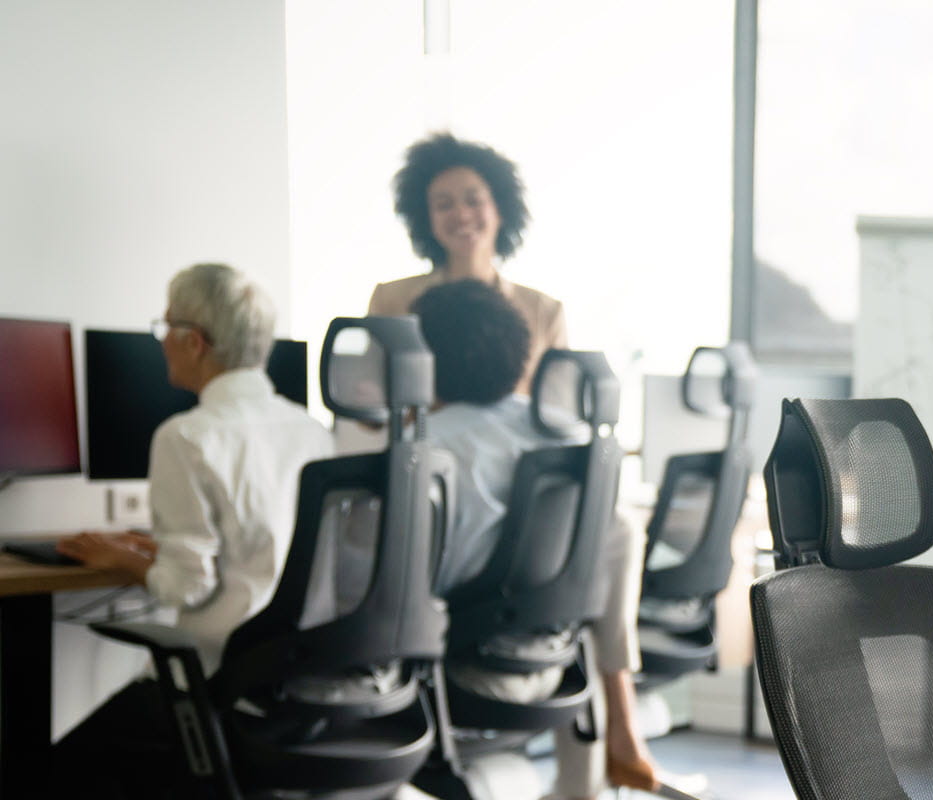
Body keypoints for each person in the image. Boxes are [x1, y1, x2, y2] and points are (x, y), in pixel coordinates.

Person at [53, 263, 334, 797]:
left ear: (194, 342)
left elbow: (188, 587)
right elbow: (268, 544)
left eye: (165, 330)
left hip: (220, 681)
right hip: (295, 680)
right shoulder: (311, 431)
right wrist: (156, 547)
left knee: (42, 774)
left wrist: (121, 560)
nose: (162, 344)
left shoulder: (187, 436)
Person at [407, 280, 660, 797]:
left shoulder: (428, 452)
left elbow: (407, 590)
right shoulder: (562, 433)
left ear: (424, 360)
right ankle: (619, 716)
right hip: (559, 661)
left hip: (466, 673)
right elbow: (619, 536)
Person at [369, 132, 563, 396]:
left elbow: (558, 413)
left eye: (474, 201)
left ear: (500, 210)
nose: (461, 215)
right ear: (426, 219)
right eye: (443, 205)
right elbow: (369, 405)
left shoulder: (544, 311)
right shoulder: (391, 301)